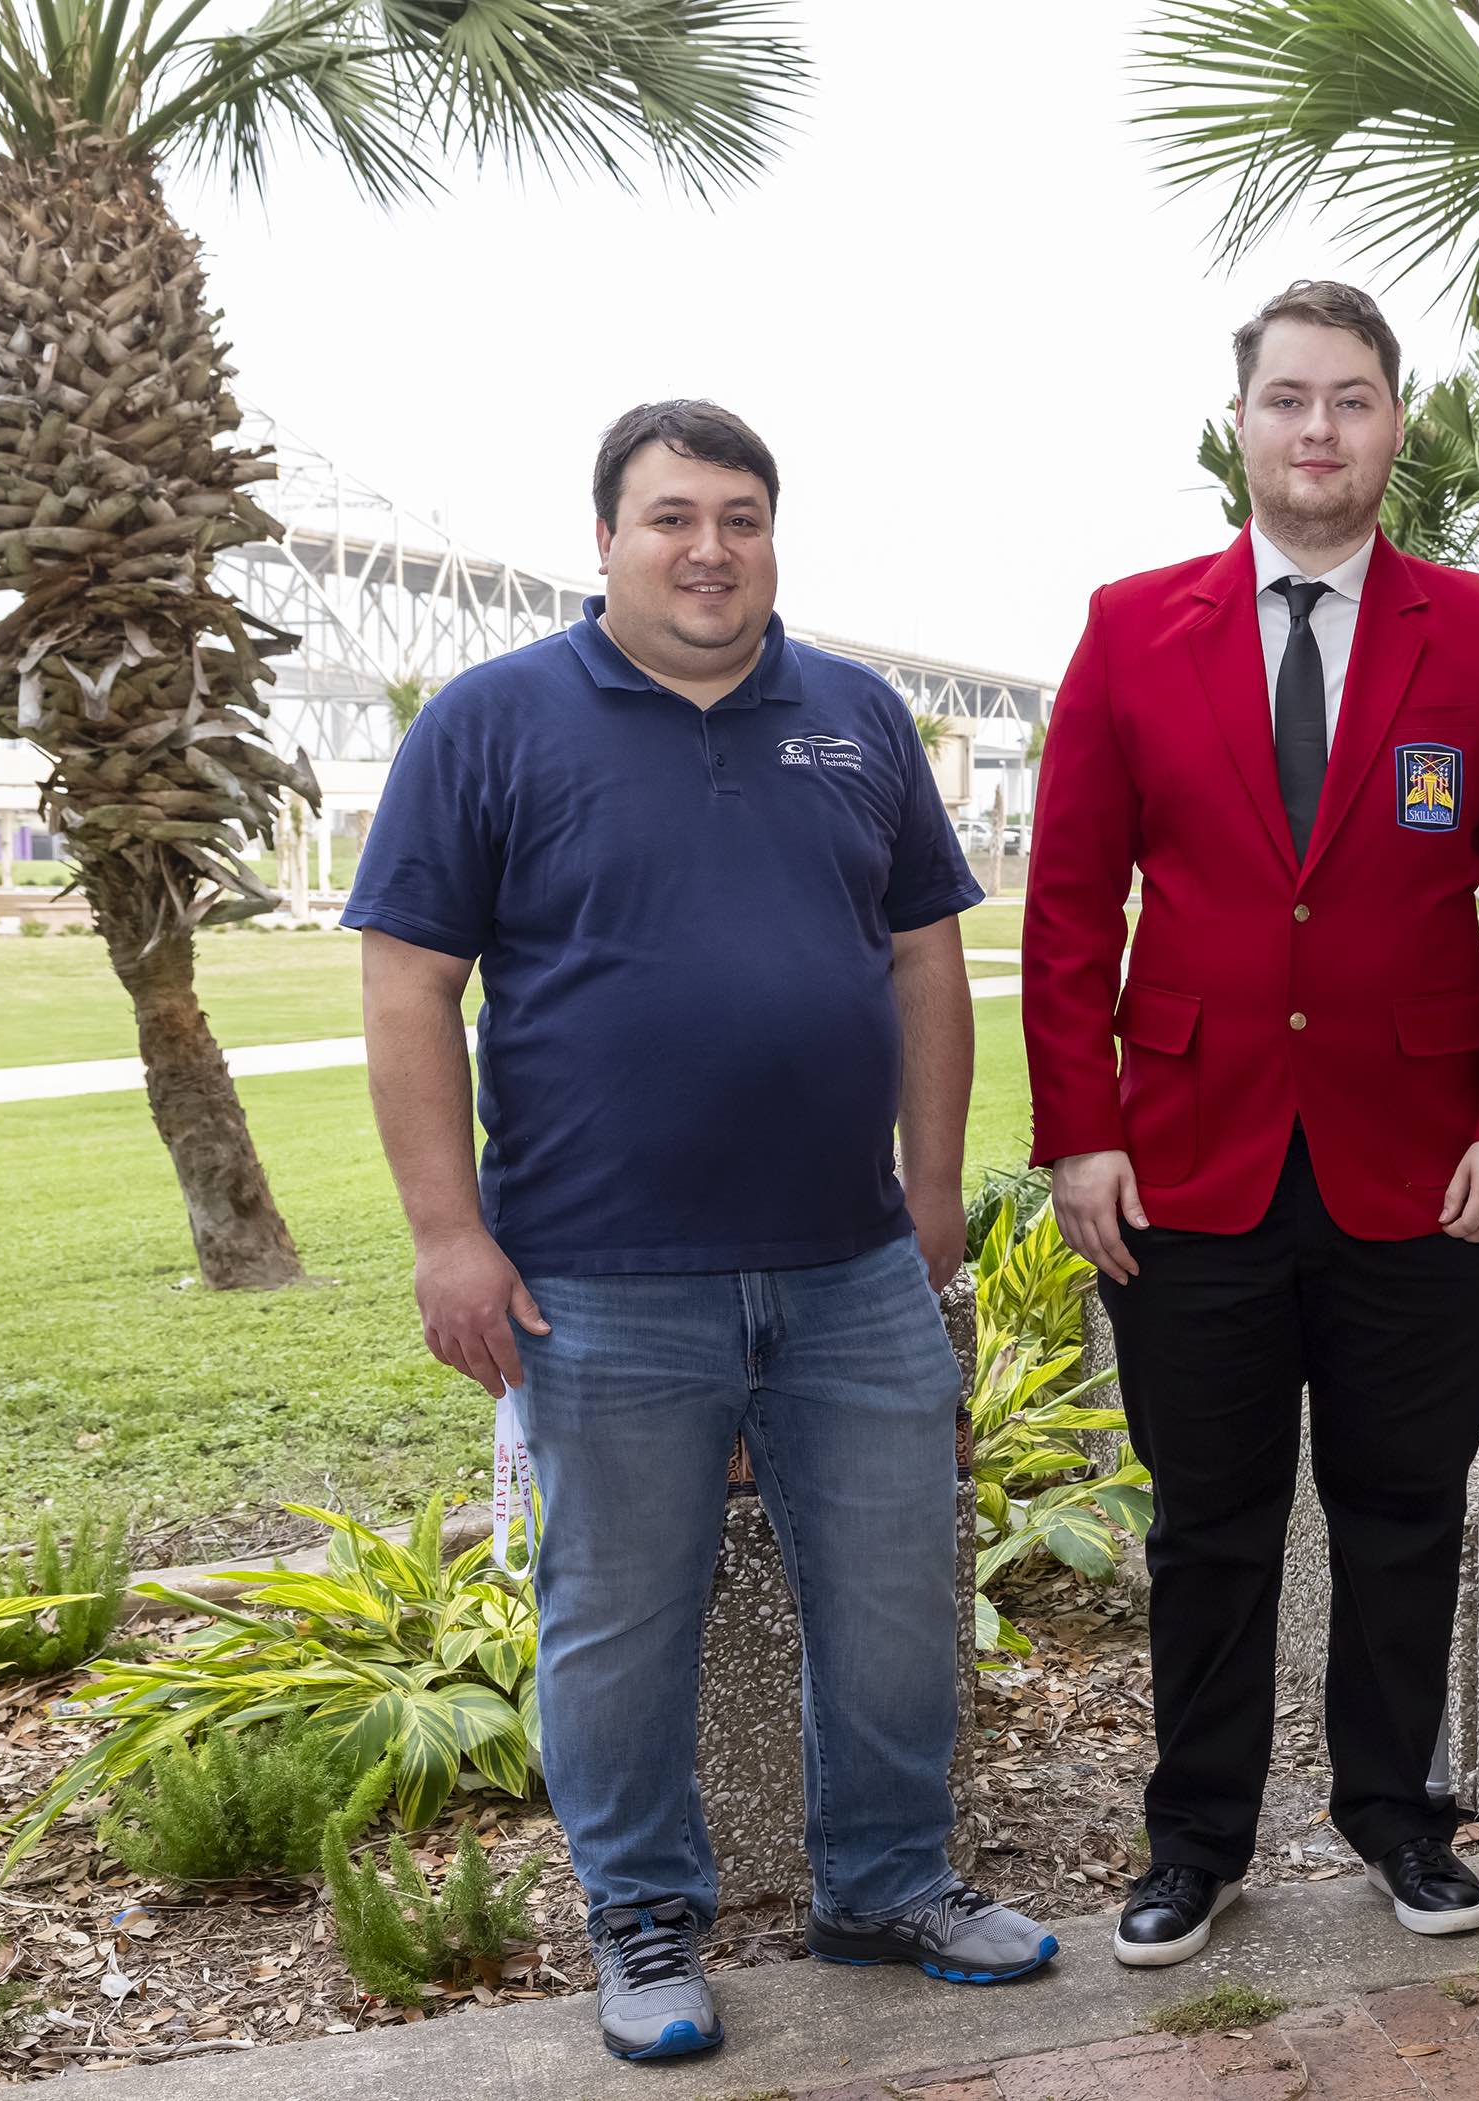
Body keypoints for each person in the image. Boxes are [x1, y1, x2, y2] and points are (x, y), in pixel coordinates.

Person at [347, 402, 1055, 2064]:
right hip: (595, 1273)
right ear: (604, 537)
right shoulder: (491, 721)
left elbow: (923, 962)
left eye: (740, 515)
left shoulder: (858, 717)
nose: (709, 547)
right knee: (617, 1614)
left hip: (851, 1262)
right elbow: (406, 986)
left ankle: (884, 1882)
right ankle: (643, 1915)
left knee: (893, 1597)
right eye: (672, 516)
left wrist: (935, 1190)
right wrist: (449, 1237)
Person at [1023, 282, 1479, 1967]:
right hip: (1187, 1164)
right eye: (1289, 400)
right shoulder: (1132, 627)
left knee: (1402, 1510)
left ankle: (1394, 1819)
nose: (1319, 431)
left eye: (1351, 400)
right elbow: (1067, 912)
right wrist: (1079, 1129)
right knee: (1208, 1524)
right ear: (1242, 425)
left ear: (1392, 423)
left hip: (1424, 1171)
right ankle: (1194, 1840)